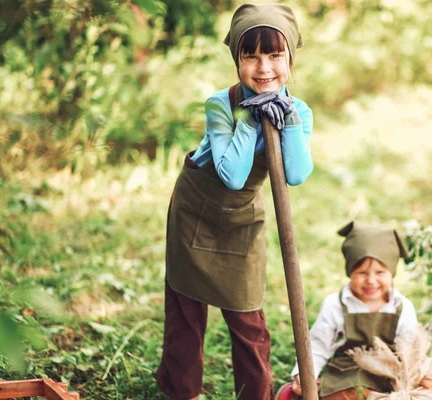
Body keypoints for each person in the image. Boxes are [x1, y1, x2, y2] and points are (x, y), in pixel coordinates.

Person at [156, 3, 313, 400]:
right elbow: (232, 174)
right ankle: (181, 392)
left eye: (275, 54)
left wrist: (287, 118)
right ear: (237, 60)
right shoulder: (219, 105)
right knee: (186, 316)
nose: (264, 67)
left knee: (249, 321)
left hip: (243, 219)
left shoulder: (300, 111)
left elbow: (295, 174)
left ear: (290, 58)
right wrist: (249, 116)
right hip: (195, 212)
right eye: (251, 55)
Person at [277, 221, 432, 400]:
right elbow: (317, 346)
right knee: (346, 393)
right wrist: (305, 375)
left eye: (380, 273)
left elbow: (412, 350)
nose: (371, 281)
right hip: (352, 371)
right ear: (350, 272)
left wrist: (415, 376)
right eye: (362, 273)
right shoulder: (336, 304)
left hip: (394, 367)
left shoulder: (402, 306)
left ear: (391, 273)